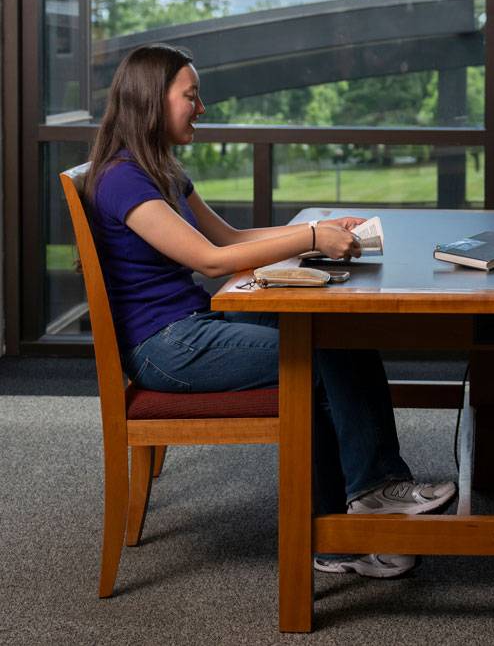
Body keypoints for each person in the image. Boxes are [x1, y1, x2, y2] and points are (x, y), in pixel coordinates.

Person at [84, 43, 455, 580]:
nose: (201, 107)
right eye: (191, 96)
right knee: (317, 351)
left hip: (194, 326)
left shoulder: (160, 169)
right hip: (167, 348)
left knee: (335, 326)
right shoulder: (123, 179)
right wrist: (307, 235)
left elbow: (230, 237)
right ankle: (344, 528)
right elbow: (211, 260)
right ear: (151, 100)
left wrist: (323, 231)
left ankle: (370, 494)